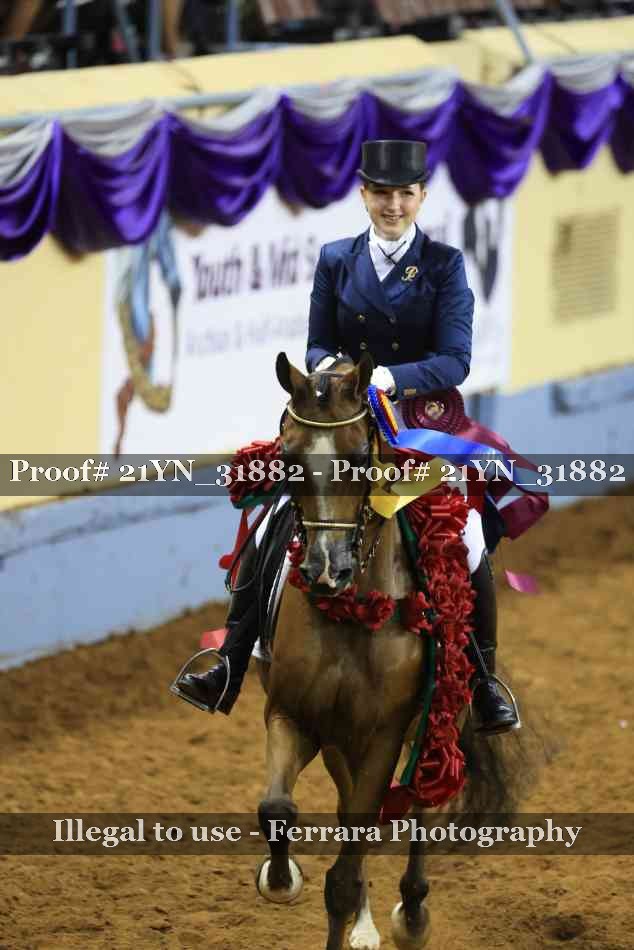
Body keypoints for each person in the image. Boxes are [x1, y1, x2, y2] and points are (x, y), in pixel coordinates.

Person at [176, 139, 519, 735]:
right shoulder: (336, 258)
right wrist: (335, 371)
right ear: (364, 195)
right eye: (382, 193)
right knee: (273, 514)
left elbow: (455, 359)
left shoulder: (444, 265)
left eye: (404, 194)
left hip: (419, 424)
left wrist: (389, 378)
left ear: (421, 197)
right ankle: (230, 661)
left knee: (464, 535)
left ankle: (485, 680)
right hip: (342, 415)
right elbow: (316, 342)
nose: (393, 205)